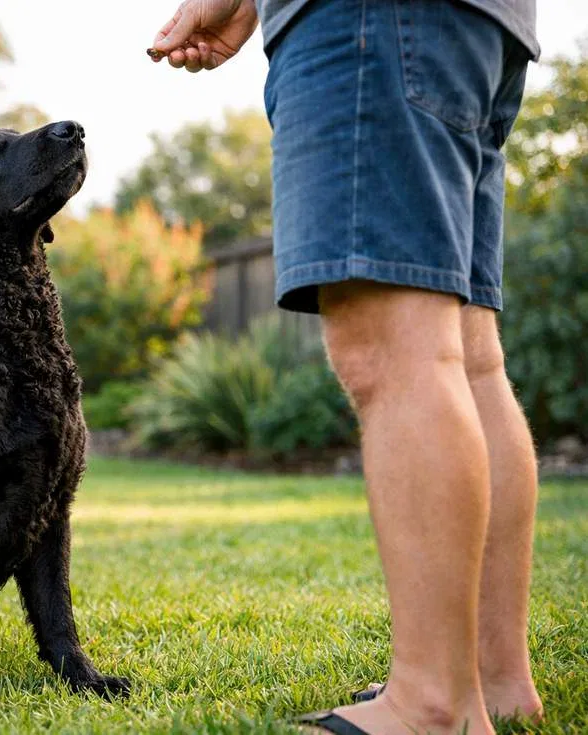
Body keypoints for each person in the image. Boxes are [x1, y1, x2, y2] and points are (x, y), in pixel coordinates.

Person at [150, 1, 543, 734]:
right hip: (477, 24)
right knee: (468, 356)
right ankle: (491, 679)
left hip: (372, 16)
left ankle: (433, 705)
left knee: (394, 351)